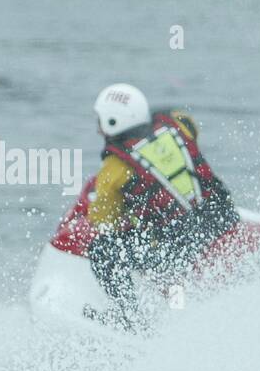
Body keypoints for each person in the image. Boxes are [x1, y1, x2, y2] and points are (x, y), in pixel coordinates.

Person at [85, 83, 241, 329]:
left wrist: (129, 217)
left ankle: (129, 318)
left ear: (113, 122)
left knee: (102, 251)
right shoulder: (179, 123)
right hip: (222, 218)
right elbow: (193, 133)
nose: (97, 129)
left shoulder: (113, 169)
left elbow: (103, 219)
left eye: (100, 121)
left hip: (180, 248)